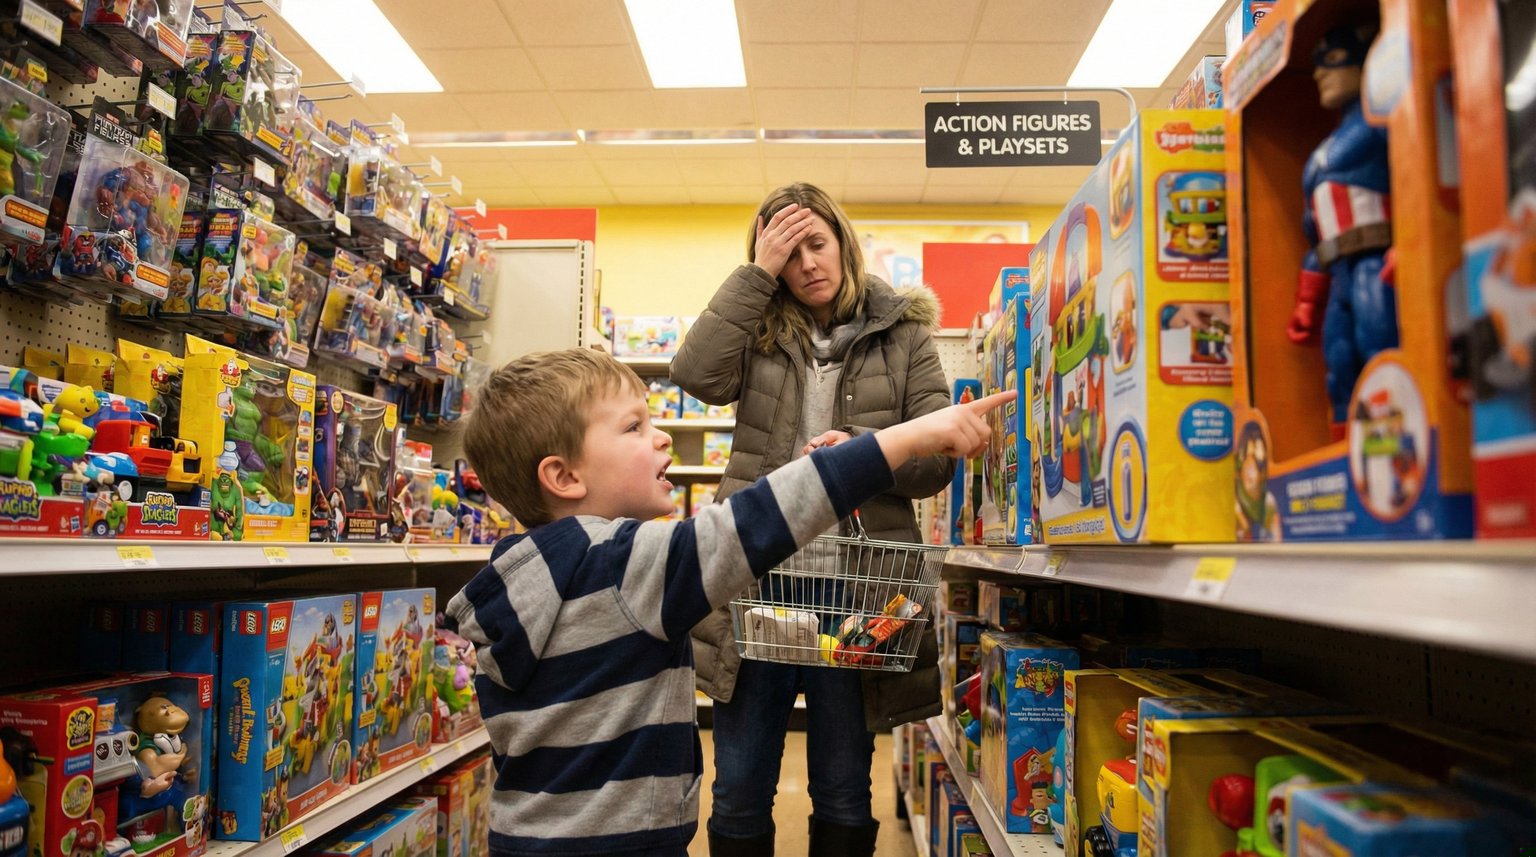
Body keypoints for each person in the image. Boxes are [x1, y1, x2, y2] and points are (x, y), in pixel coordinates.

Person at [443, 347, 1010, 856]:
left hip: (523, 838)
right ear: (564, 476)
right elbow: (765, 517)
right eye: (635, 428)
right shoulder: (624, 565)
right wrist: (909, 436)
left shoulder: (511, 575)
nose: (662, 436)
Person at [669, 183, 956, 856]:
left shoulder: (904, 331)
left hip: (857, 592)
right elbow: (694, 373)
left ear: (843, 241)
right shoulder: (758, 331)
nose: (806, 264)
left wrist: (865, 452)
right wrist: (753, 275)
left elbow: (938, 456)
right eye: (786, 252)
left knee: (842, 785)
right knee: (737, 787)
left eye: (815, 244)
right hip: (758, 585)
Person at [1287, 19, 1393, 435]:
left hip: (1374, 262)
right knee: (1340, 365)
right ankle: (1348, 456)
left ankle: (1392, 447)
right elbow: (1318, 237)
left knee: (1380, 349)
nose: (1319, 73)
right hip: (1340, 273)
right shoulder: (1327, 150)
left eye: (1332, 60)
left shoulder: (1380, 125)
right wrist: (1307, 301)